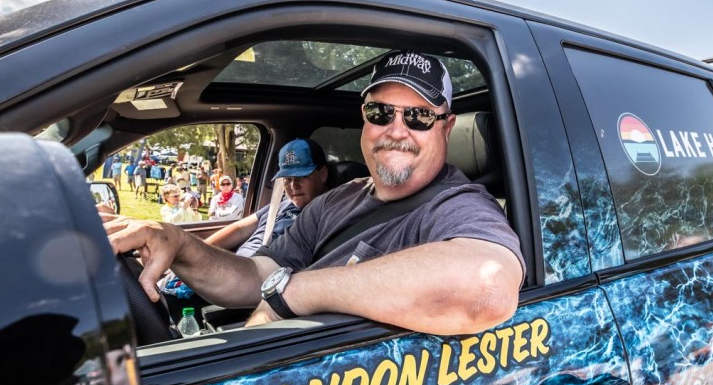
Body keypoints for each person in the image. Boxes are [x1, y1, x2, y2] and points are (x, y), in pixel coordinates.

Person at [105, 50, 524, 336]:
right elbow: (256, 277)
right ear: (365, 119)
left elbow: (487, 287)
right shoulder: (338, 199)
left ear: (446, 129)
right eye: (381, 112)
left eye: (418, 117)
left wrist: (296, 292)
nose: (397, 130)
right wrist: (178, 243)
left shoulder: (458, 205)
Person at [205, 138, 330, 256]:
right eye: (287, 179)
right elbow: (240, 228)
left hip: (258, 268)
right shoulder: (282, 203)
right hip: (238, 261)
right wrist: (203, 251)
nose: (293, 186)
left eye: (302, 177)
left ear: (323, 174)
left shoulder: (326, 213)